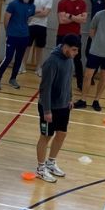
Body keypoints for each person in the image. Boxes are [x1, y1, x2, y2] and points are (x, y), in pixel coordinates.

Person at [35, 35, 80, 183]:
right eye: (73, 50)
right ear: (65, 47)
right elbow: (45, 88)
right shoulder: (52, 62)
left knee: (62, 134)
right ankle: (41, 169)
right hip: (49, 107)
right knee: (46, 137)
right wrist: (47, 110)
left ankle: (51, 163)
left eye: (76, 51)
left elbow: (68, 80)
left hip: (63, 105)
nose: (75, 53)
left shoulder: (69, 60)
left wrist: (70, 98)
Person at [0, 0, 34, 91]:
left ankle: (13, 79)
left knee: (19, 59)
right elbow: (6, 19)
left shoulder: (32, 6)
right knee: (8, 58)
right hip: (12, 36)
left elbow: (28, 19)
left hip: (24, 37)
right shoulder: (14, 4)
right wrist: (9, 32)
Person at [57, 0, 89, 93]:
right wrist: (77, 18)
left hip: (76, 36)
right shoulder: (62, 2)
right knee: (60, 58)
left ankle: (80, 83)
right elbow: (61, 20)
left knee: (77, 60)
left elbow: (84, 20)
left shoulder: (82, 3)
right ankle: (58, 81)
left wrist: (69, 16)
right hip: (62, 35)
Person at [26, 0, 53, 74]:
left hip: (42, 26)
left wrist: (33, 13)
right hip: (30, 25)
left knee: (40, 48)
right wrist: (37, 12)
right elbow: (27, 11)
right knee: (27, 46)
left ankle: (38, 68)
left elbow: (45, 13)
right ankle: (22, 66)